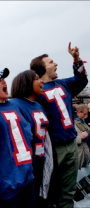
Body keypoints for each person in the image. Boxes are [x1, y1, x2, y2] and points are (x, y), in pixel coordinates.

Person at [30, 42, 88, 208]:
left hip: (71, 143)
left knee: (68, 191)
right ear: (41, 68)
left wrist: (76, 58)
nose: (55, 64)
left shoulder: (64, 84)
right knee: (51, 191)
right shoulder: (36, 92)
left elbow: (81, 79)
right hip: (53, 148)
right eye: (51, 62)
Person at [0, 68, 35, 208]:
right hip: (4, 182)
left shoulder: (16, 105)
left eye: (4, 79)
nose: (4, 82)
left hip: (26, 176)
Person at [10, 70, 53, 208]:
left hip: (41, 161)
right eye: (37, 79)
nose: (41, 82)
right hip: (26, 166)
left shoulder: (38, 105)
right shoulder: (15, 105)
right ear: (26, 84)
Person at [74, 104, 90, 169]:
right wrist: (80, 138)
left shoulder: (82, 121)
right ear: (78, 112)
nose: (86, 116)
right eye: (84, 114)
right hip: (78, 154)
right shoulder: (72, 123)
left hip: (84, 154)